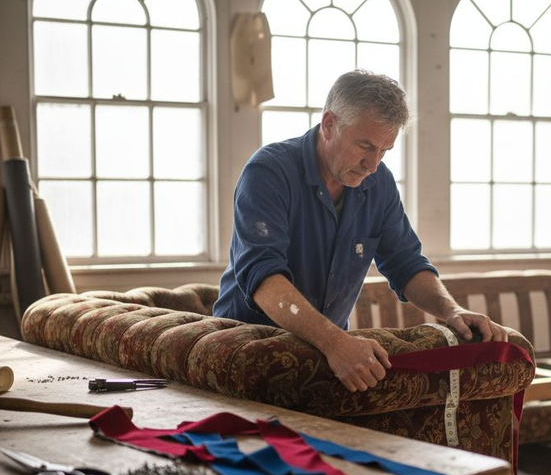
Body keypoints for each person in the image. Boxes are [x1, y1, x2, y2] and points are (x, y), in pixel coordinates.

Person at [213, 69, 508, 393]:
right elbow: (263, 278)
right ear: (329, 125)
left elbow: (406, 263)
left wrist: (452, 311)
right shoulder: (268, 172)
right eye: (365, 146)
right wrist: (335, 343)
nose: (373, 164)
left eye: (384, 150)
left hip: (325, 357)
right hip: (246, 350)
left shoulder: (378, 183)